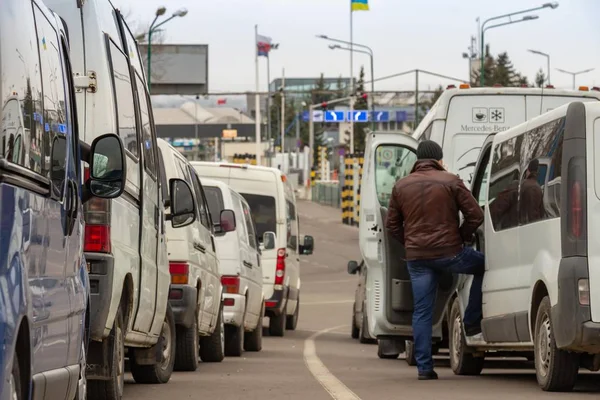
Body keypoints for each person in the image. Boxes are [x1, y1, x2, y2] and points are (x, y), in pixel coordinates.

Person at [386, 140, 485, 381]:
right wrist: (461, 236)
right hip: (450, 254)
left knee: (422, 311)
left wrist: (410, 242)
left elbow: (391, 226)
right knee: (482, 265)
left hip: (418, 258)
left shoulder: (401, 186)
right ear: (439, 160)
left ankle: (424, 368)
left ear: (418, 160)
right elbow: (476, 215)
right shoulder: (451, 181)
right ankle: (472, 321)